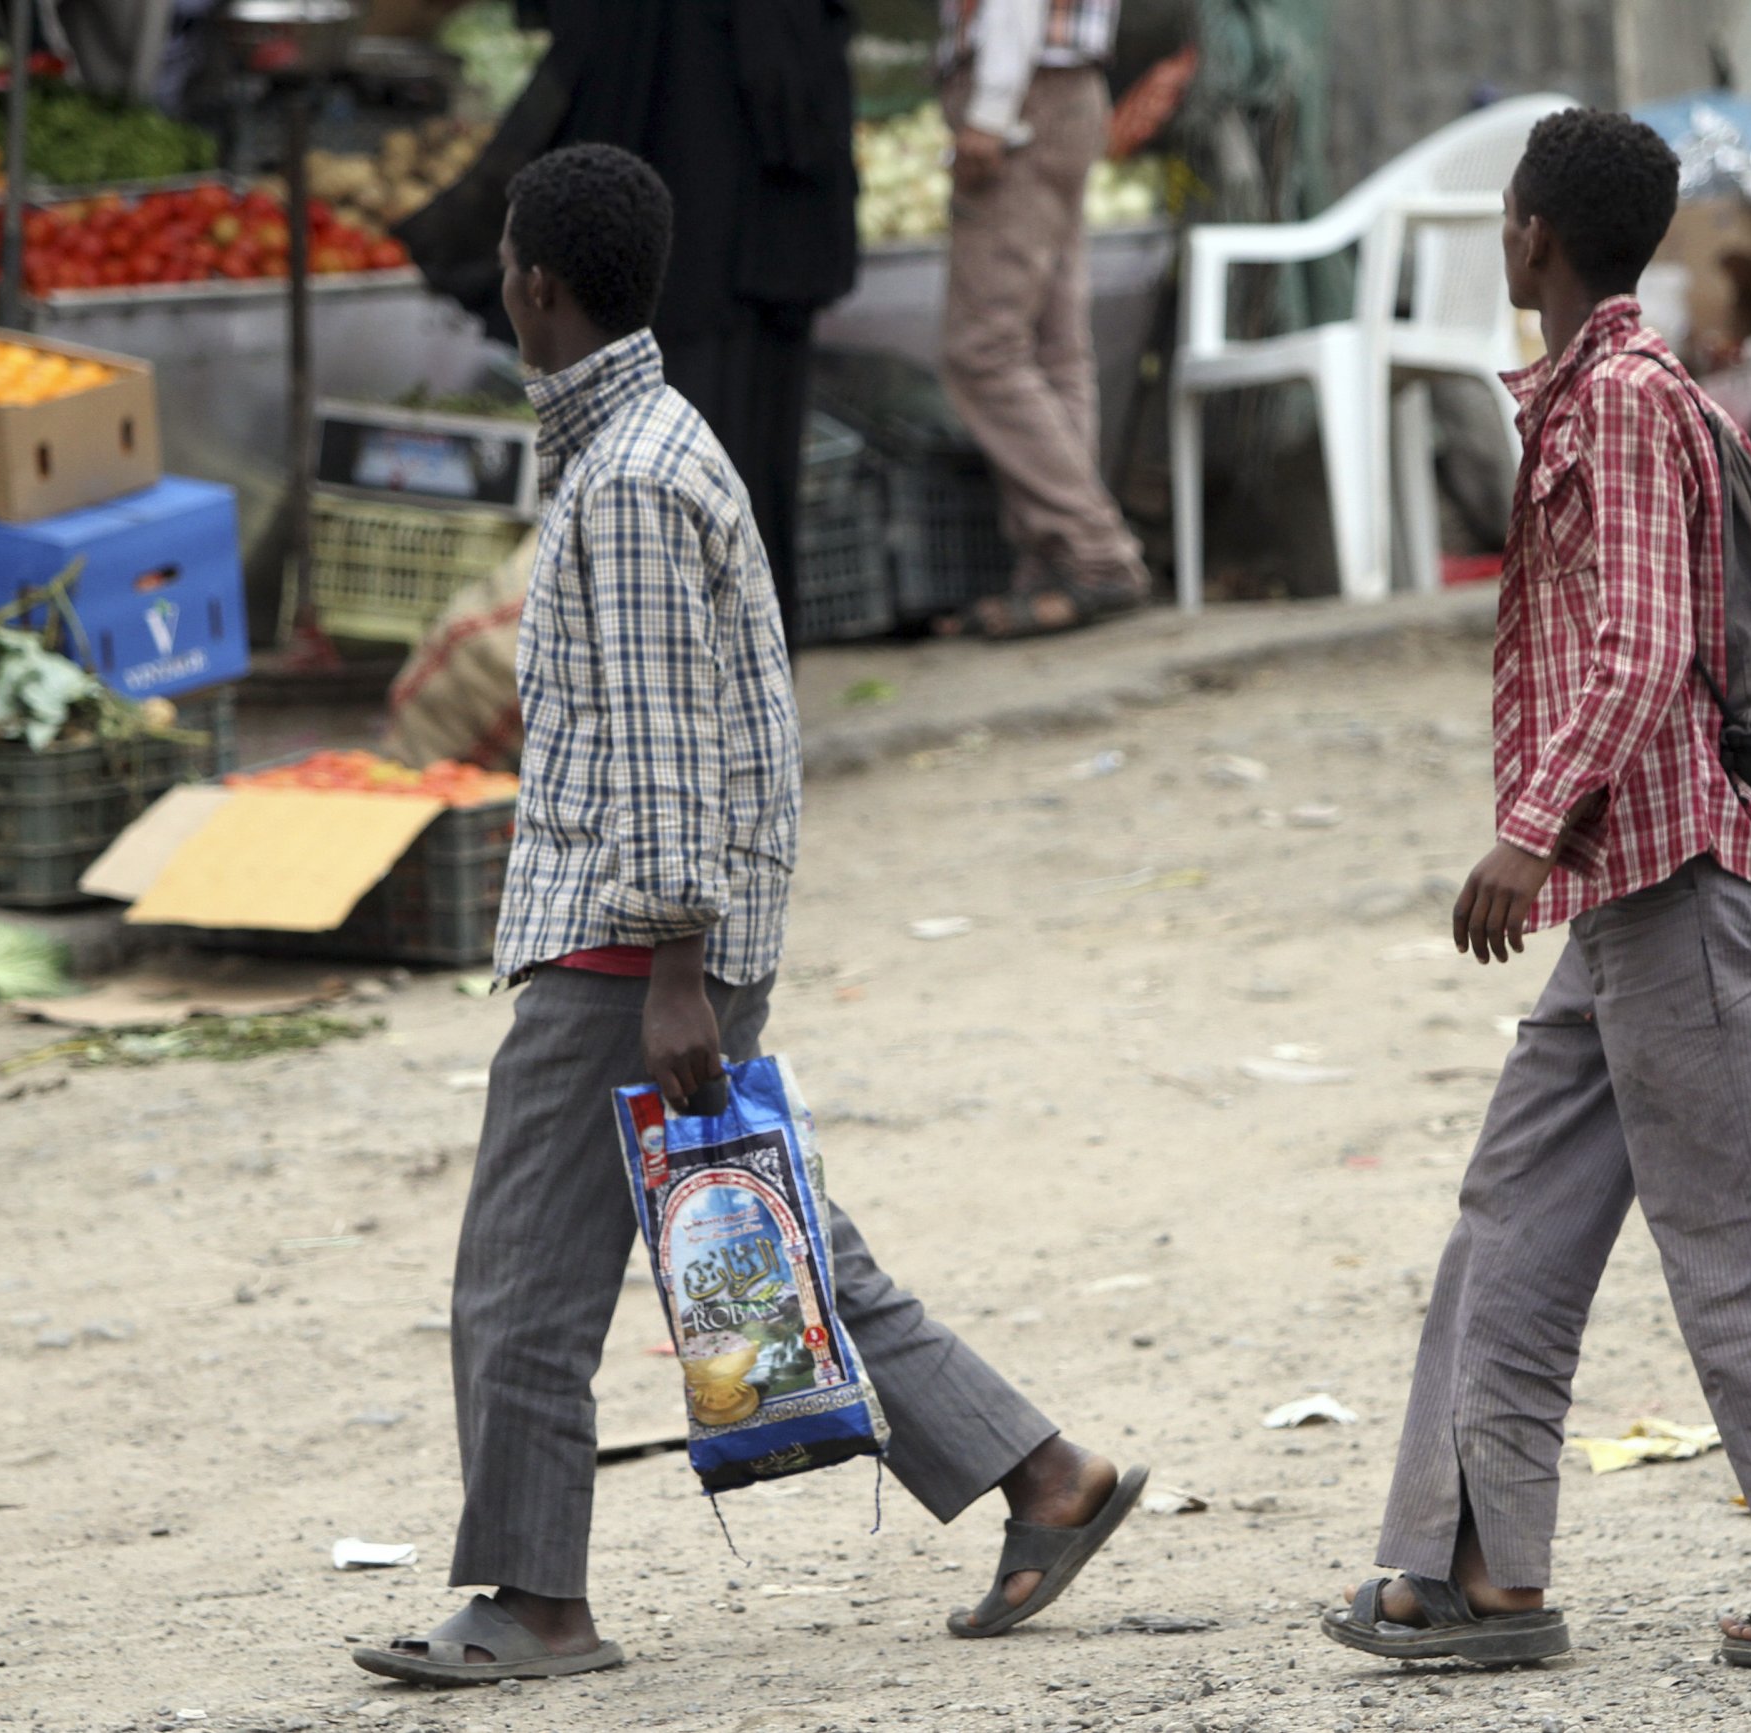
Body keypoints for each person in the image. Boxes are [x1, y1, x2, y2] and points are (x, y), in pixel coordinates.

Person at [351, 144, 1146, 1690]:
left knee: (522, 1282)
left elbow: (659, 745)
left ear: (534, 284)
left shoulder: (633, 479)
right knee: (769, 1237)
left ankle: (534, 1598)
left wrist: (669, 970)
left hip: (626, 946)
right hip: (659, 944)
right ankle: (1044, 1474)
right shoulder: (644, 442)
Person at [1320, 109, 1751, 1672]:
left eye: (1505, 221)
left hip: (1668, 887)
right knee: (1516, 1212)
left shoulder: (1620, 409)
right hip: (1633, 901)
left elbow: (1646, 648)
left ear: (1531, 239)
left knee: (1745, 1227)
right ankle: (1471, 1568)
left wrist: (1529, 826)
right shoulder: (1644, 402)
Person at [399, 0, 857, 647]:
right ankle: (744, 675)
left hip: (697, 241)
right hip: (760, 234)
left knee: (683, 476)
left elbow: (586, 66)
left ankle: (697, 675)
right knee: (739, 471)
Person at [935, 0, 1152, 638]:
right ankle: (1055, 567)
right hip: (1063, 92)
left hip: (1024, 94)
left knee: (983, 351)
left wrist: (990, 112)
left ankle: (1094, 553)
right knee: (1053, 348)